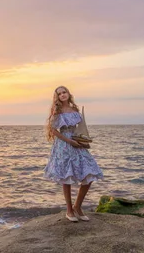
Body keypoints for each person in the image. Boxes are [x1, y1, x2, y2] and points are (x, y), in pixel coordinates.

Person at [43, 86, 104, 222]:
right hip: (64, 144)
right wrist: (69, 141)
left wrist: (82, 140)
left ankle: (78, 206)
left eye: (64, 92)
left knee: (91, 172)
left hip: (77, 143)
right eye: (59, 94)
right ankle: (69, 210)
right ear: (57, 97)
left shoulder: (75, 110)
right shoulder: (57, 111)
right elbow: (54, 131)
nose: (62, 95)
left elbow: (80, 128)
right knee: (67, 176)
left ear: (68, 94)